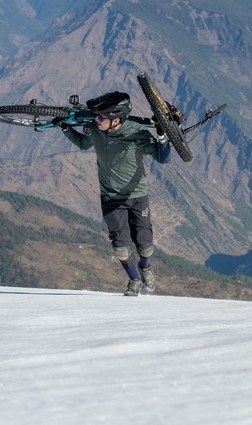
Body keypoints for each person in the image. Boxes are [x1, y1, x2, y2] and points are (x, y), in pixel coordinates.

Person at [54, 90, 172, 296]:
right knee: (120, 247)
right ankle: (134, 279)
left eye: (101, 117)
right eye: (96, 116)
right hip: (110, 198)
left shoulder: (137, 133)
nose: (96, 119)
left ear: (116, 120)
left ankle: (146, 267)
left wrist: (162, 137)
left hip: (137, 196)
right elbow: (83, 143)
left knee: (144, 244)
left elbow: (163, 159)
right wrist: (64, 127)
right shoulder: (96, 129)